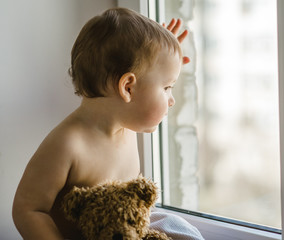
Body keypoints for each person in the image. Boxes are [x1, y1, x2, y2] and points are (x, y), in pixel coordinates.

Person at [12, 7, 202, 239]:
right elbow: (27, 209)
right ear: (128, 87)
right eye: (166, 87)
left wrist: (160, 59)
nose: (171, 100)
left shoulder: (126, 126)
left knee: (179, 227)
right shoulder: (68, 144)